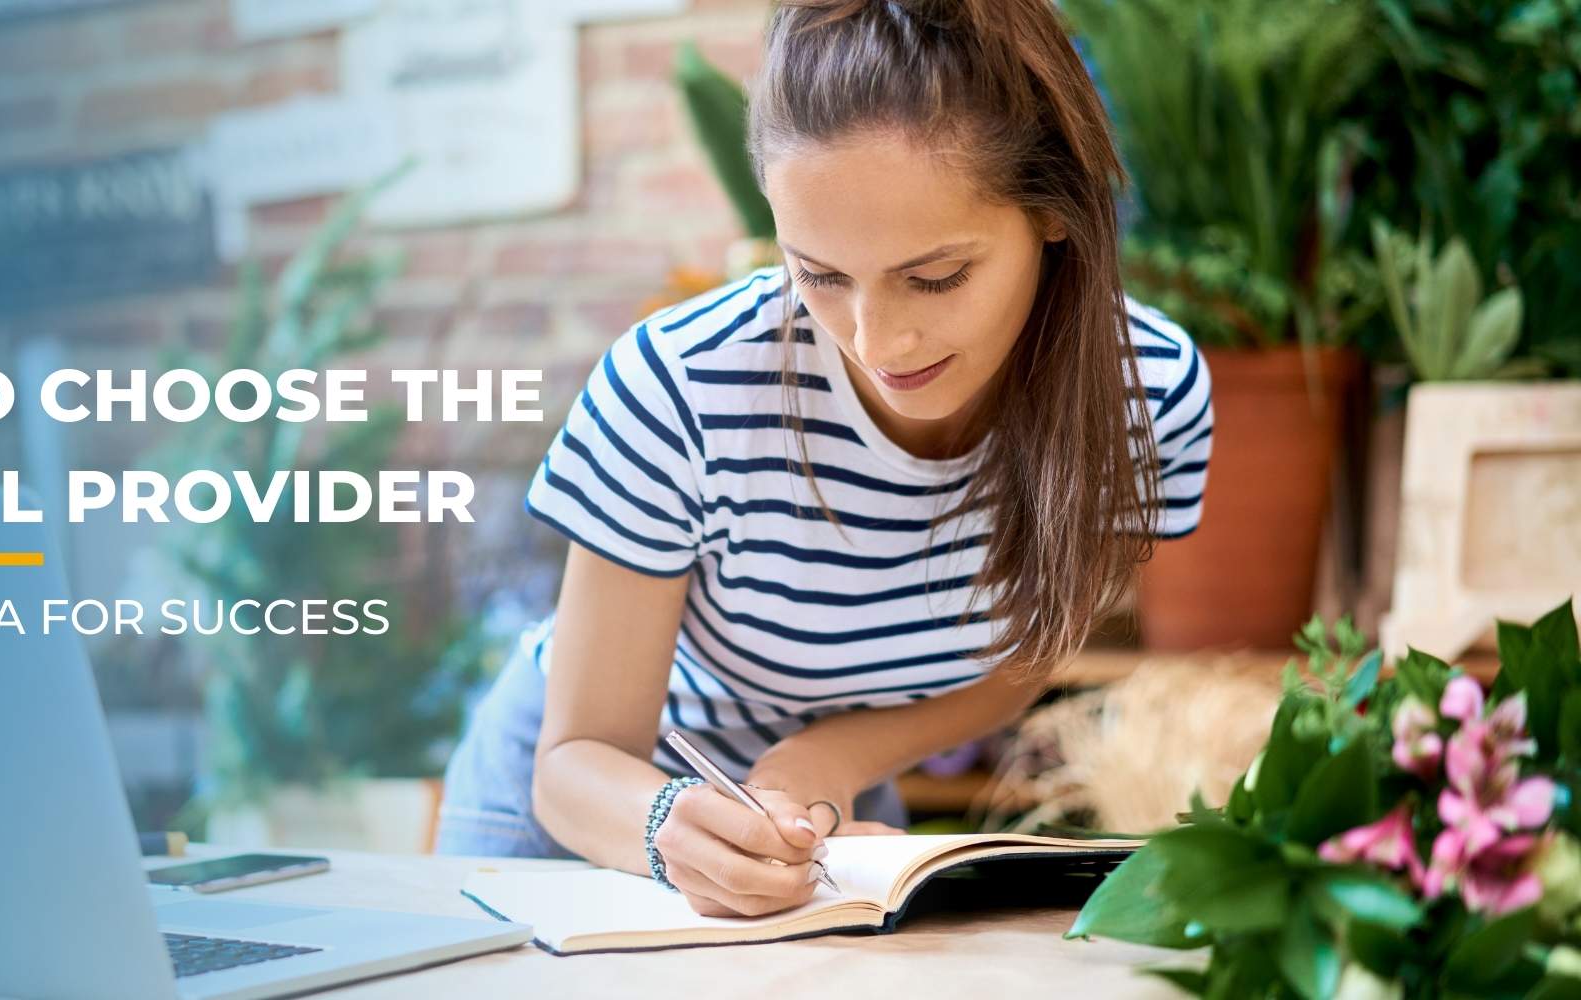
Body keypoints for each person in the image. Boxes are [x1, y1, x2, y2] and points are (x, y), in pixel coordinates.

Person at [435, 0, 1213, 920]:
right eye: (821, 276)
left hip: (821, 813)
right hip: (594, 814)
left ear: (1054, 212)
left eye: (936, 276)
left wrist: (830, 760)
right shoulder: (682, 384)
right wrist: (667, 826)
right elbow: (571, 764)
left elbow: (1025, 657)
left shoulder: (1146, 395)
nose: (877, 341)